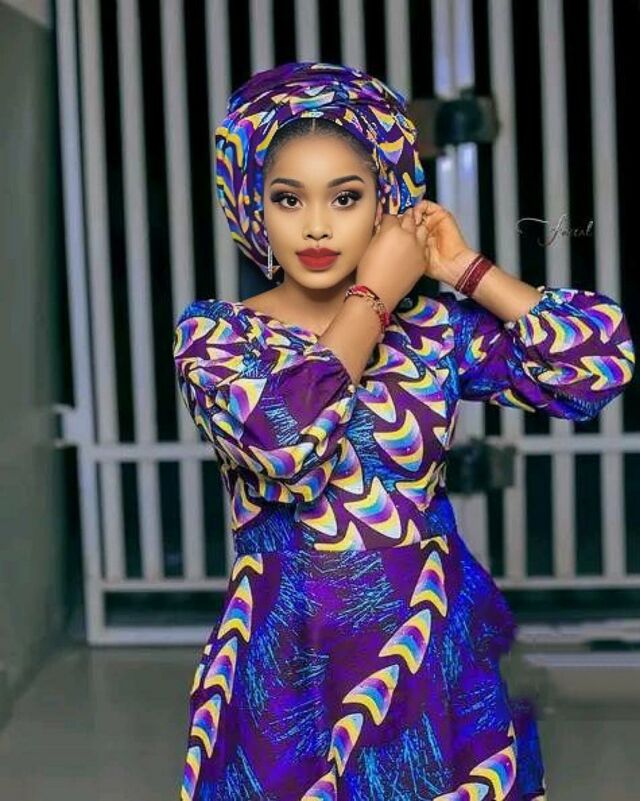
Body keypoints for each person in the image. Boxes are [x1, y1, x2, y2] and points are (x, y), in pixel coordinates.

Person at [173, 61, 635, 801]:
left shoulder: (432, 330)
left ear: (386, 204)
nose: (317, 226)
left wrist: (466, 269)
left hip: (430, 650)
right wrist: (375, 293)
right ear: (253, 205)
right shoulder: (220, 336)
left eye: (345, 197)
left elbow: (596, 364)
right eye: (288, 198)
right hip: (287, 664)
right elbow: (284, 444)